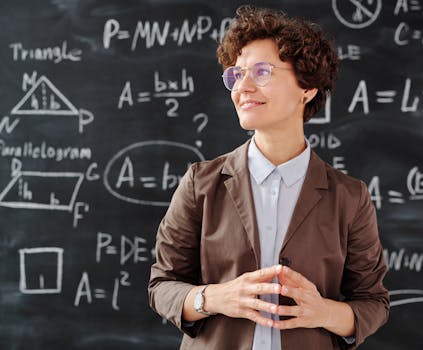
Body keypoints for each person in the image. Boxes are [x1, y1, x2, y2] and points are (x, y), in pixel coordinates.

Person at [148, 5, 389, 349]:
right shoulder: (201, 182)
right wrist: (217, 298)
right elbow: (162, 286)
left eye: (261, 72)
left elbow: (373, 303)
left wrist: (322, 313)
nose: (242, 87)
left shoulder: (350, 197)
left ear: (307, 88)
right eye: (236, 74)